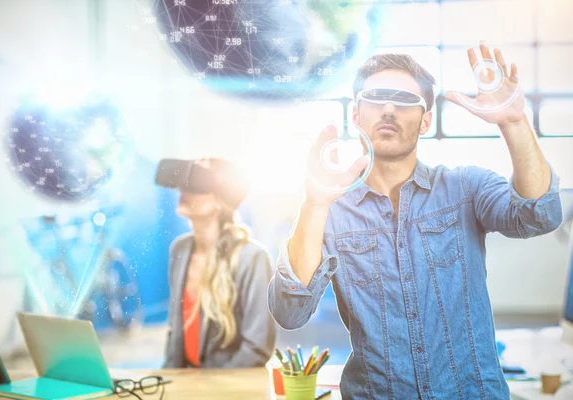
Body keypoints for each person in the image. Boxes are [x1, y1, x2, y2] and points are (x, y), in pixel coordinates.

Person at [268, 43, 563, 399]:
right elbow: (289, 311)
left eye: (405, 100)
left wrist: (514, 122)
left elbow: (540, 215)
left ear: (425, 121)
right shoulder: (330, 212)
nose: (390, 109)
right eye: (376, 97)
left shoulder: (465, 189)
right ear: (356, 116)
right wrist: (315, 203)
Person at [162, 158, 276, 368]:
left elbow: (257, 348)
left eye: (196, 183)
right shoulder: (180, 249)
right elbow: (175, 332)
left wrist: (211, 389)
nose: (184, 189)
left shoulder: (252, 258)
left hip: (228, 390)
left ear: (218, 201)